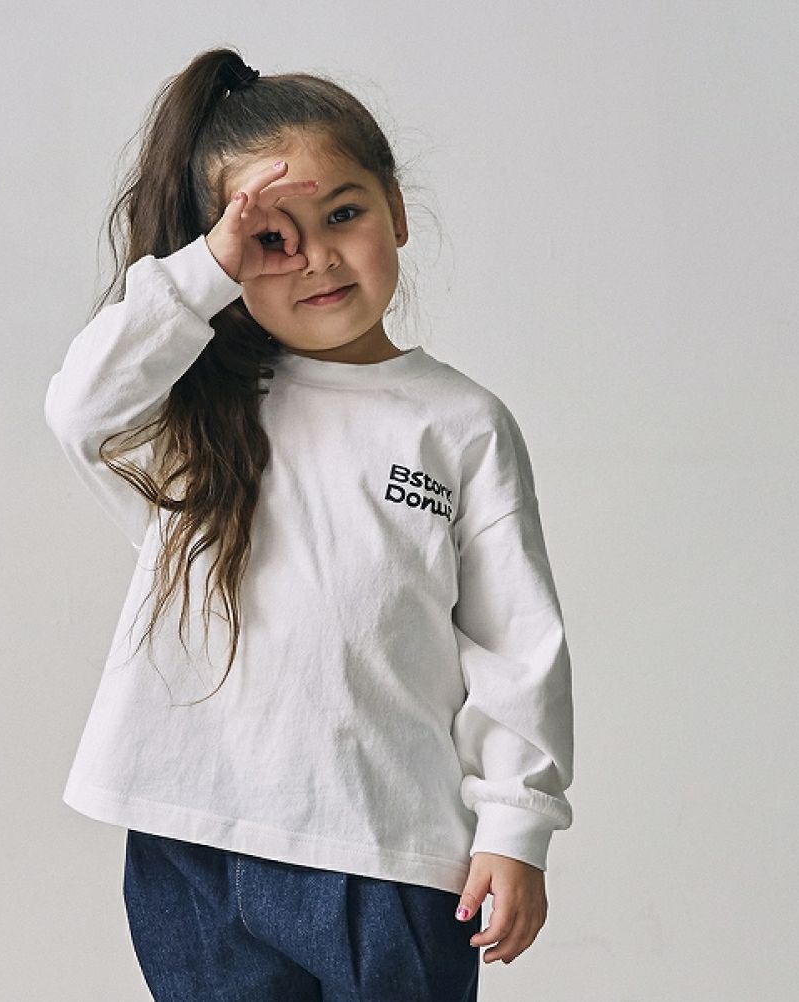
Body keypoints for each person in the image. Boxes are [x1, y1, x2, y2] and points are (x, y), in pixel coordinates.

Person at [44, 46, 574, 1002]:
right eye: (272, 238)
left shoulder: (461, 424)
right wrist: (206, 271)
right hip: (193, 838)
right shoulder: (200, 412)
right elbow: (80, 408)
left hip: (387, 850)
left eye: (343, 214)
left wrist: (515, 824)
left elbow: (515, 646)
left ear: (396, 210)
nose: (318, 256)